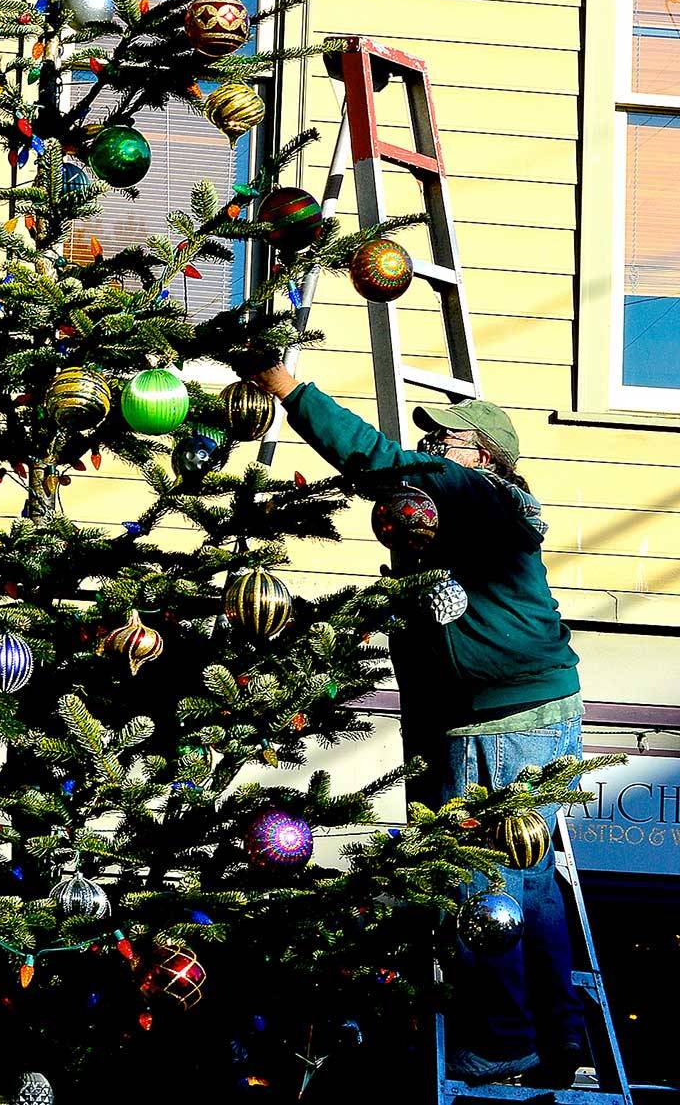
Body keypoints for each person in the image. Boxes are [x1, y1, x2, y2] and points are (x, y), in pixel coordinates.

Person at [250, 364, 584, 1088]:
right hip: (508, 714)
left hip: (501, 723)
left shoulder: (479, 493)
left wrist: (290, 391)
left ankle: (504, 1041)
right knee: (529, 879)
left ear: (484, 455)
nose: (430, 447)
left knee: (480, 881)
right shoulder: (455, 520)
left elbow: (378, 459)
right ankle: (558, 1033)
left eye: (445, 441)